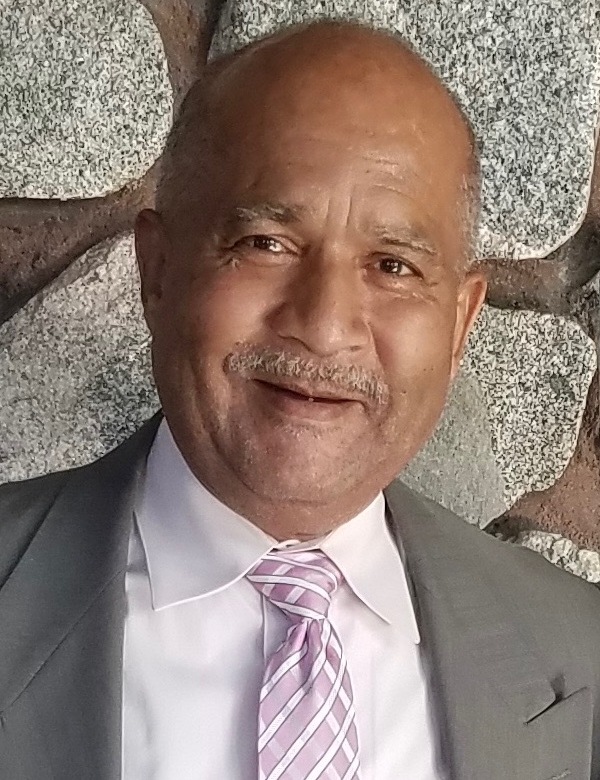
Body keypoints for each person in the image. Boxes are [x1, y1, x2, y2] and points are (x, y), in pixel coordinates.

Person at [0, 19, 598, 780]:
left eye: (393, 265)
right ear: (157, 271)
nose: (323, 325)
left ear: (459, 324)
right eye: (265, 244)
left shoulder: (579, 652)